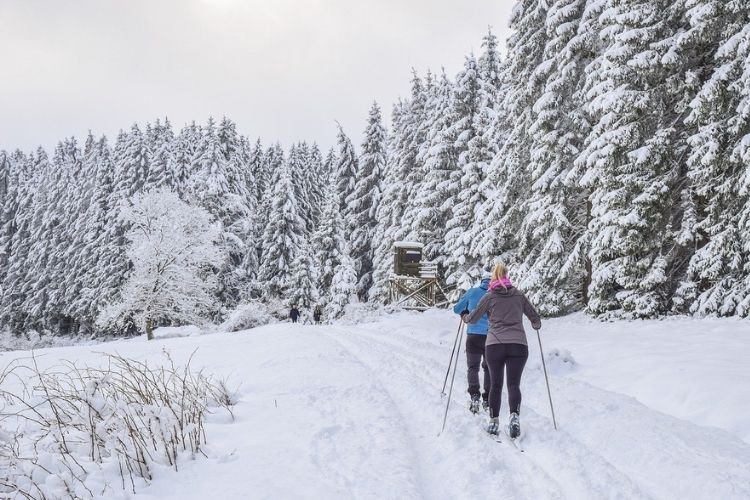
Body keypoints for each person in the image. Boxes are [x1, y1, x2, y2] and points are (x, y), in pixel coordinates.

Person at [462, 262, 541, 438]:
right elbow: (534, 317)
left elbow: (473, 318)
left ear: (494, 278)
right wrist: (536, 324)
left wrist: (465, 317)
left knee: (496, 384)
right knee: (514, 384)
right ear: (507, 276)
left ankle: (494, 421)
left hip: (495, 345)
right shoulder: (519, 295)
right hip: (519, 345)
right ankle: (514, 416)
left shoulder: (489, 297)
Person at [453, 271, 492, 413]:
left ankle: (475, 396)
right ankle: (488, 398)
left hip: (474, 335)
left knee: (473, 367)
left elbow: (456, 309)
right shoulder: (497, 295)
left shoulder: (473, 292)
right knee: (489, 368)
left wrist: (464, 312)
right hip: (491, 337)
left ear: (482, 281)